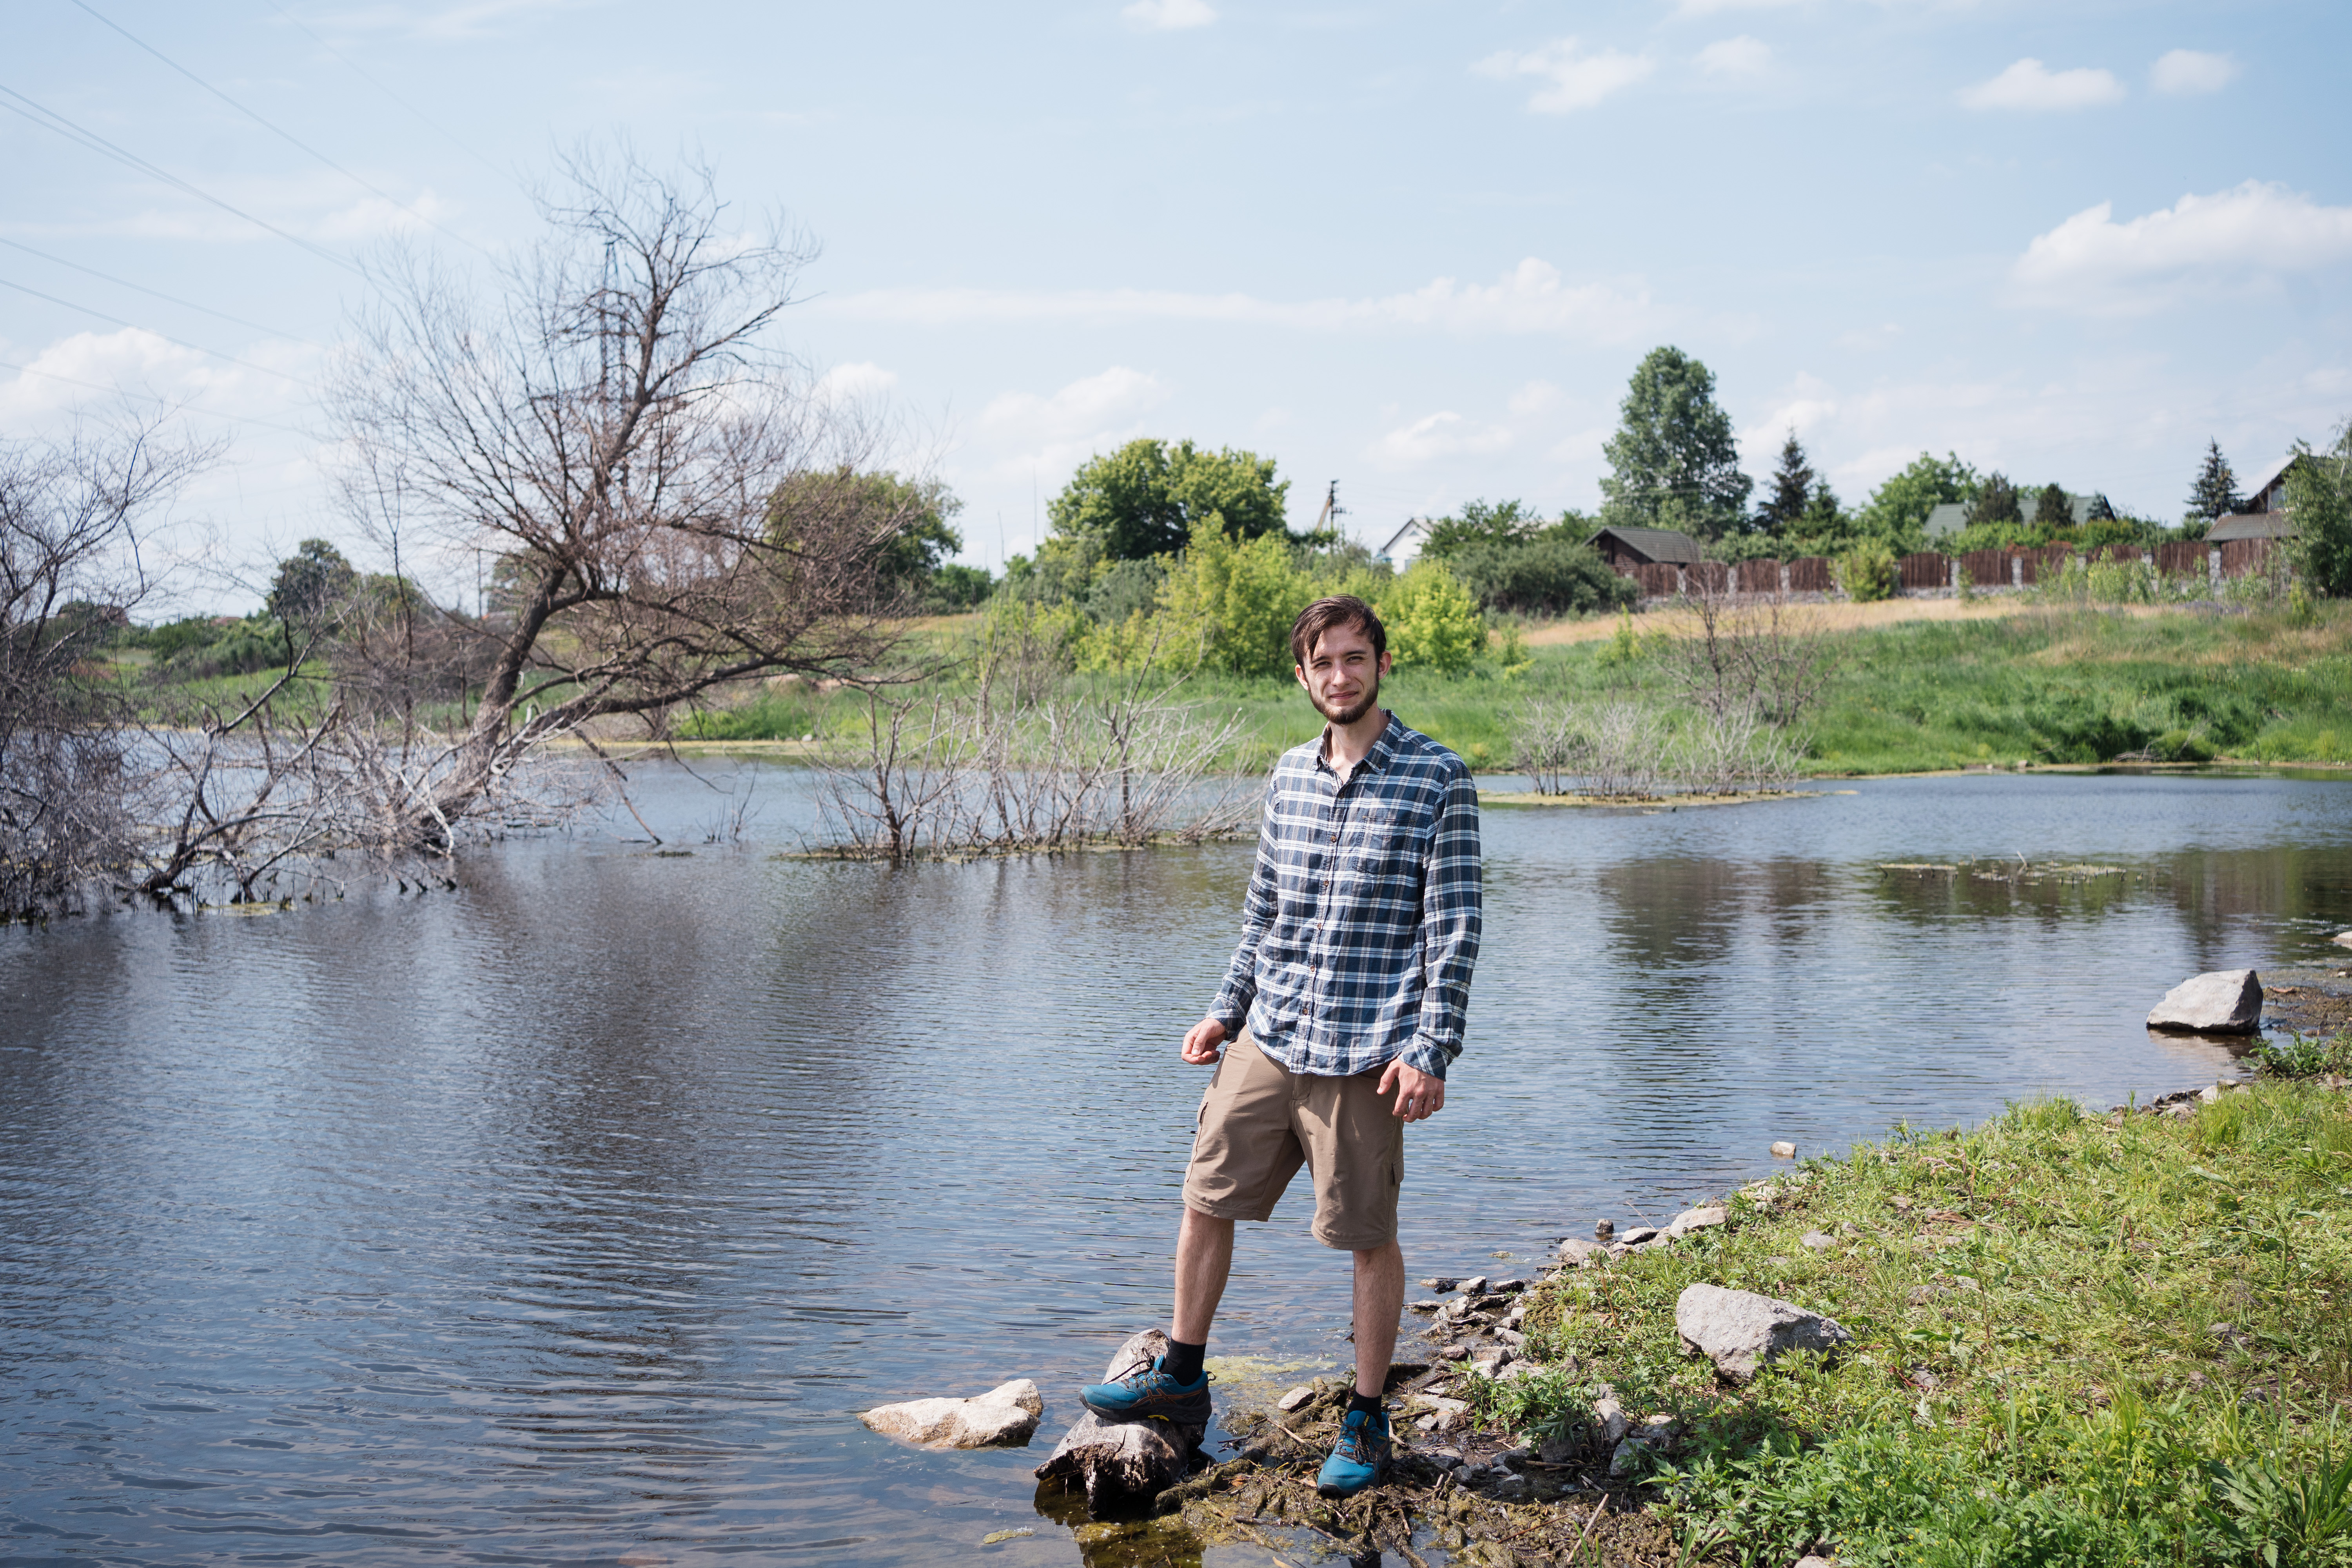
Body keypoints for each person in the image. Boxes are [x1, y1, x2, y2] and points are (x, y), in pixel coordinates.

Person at [1077, 593, 1483, 1499]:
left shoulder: (1437, 777)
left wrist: (1432, 1047)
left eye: (1354, 658)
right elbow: (1264, 912)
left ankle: (1368, 1416)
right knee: (1204, 1194)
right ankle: (1181, 1373)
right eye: (1322, 662)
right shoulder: (1288, 774)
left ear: (1381, 664)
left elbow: (1454, 926)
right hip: (1273, 1031)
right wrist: (1226, 1012)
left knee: (1365, 1236)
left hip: (1369, 1049)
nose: (1339, 675)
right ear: (1301, 676)